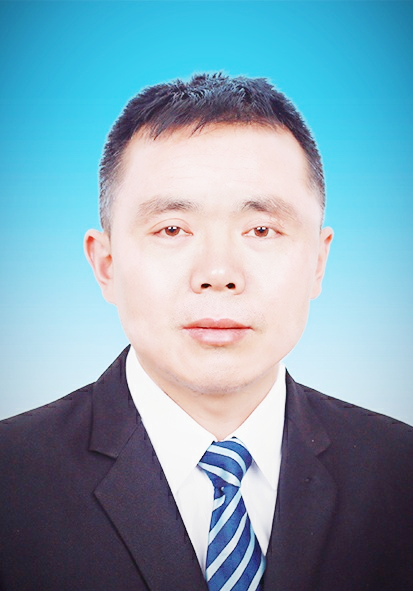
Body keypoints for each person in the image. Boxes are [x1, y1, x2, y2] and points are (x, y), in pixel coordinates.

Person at [0, 73, 412, 591]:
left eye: (261, 229)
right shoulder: (11, 478)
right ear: (106, 264)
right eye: (172, 229)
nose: (218, 273)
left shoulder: (400, 472)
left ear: (318, 262)